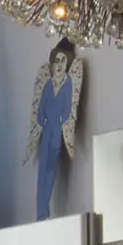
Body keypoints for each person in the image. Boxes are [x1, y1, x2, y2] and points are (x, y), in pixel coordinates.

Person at [24, 36, 83, 220]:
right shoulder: (48, 84)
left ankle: (45, 210)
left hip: (57, 130)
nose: (58, 64)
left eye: (62, 60)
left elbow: (67, 110)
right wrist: (42, 120)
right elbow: (41, 107)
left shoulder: (67, 85)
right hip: (47, 127)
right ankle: (41, 211)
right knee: (42, 170)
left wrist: (61, 120)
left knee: (50, 168)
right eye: (56, 60)